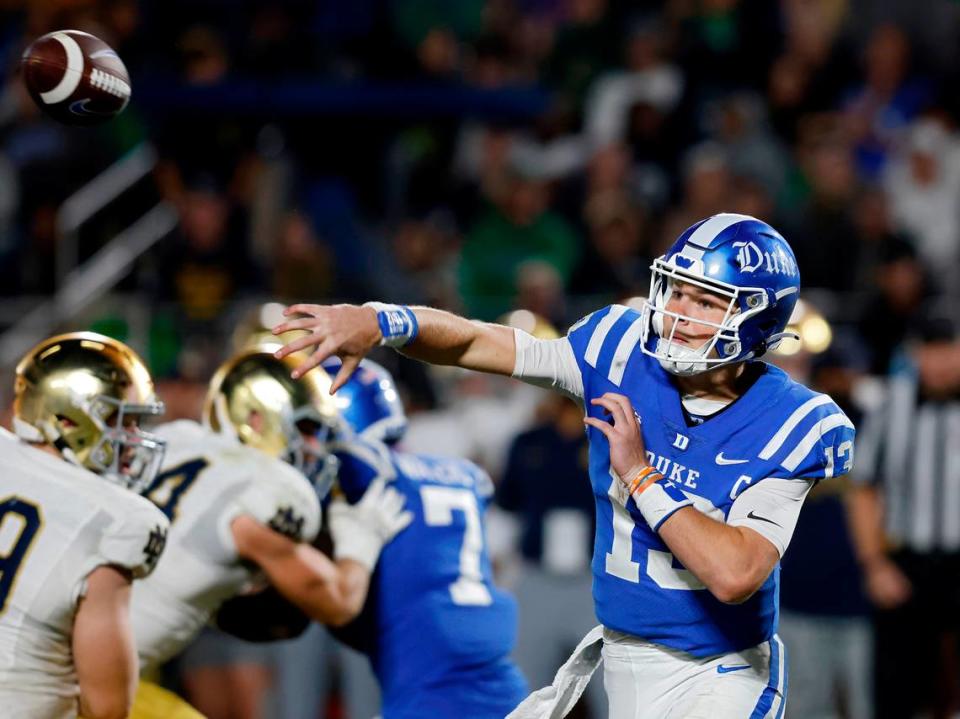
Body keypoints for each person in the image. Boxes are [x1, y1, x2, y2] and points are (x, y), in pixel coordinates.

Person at [273, 213, 856, 718]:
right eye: (676, 290)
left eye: (704, 302)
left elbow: (735, 575)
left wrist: (641, 476)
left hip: (721, 672)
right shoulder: (619, 348)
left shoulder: (793, 420)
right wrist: (382, 321)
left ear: (756, 319)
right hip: (625, 657)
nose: (677, 313)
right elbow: (479, 343)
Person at [127, 343, 412, 719]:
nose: (314, 447)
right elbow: (338, 602)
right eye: (306, 429)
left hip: (85, 653)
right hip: (78, 681)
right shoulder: (260, 495)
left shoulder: (179, 440)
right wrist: (361, 540)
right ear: (257, 421)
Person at [321, 357, 528, 718]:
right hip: (499, 688)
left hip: (429, 696)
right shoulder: (462, 474)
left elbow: (348, 457)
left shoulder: (368, 471)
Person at [0, 332, 170, 719]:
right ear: (66, 419)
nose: (132, 440)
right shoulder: (116, 519)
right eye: (120, 423)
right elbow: (106, 708)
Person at [848, 316, 960, 719]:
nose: (942, 360)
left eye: (950, 347)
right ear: (914, 354)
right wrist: (874, 564)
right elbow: (863, 489)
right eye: (931, 349)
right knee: (896, 694)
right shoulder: (890, 405)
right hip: (906, 565)